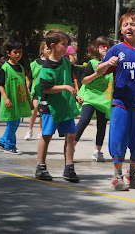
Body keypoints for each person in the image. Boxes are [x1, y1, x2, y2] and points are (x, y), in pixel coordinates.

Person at [96, 12, 135, 191]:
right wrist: (108, 64)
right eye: (125, 25)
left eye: (133, 25)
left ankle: (132, 173)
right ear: (121, 30)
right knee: (118, 138)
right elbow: (99, 70)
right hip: (121, 102)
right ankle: (117, 176)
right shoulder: (116, 49)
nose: (129, 28)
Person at [34, 29, 83, 182]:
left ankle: (69, 167)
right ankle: (40, 167)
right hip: (49, 107)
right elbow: (46, 89)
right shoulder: (47, 67)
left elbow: (69, 82)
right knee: (47, 136)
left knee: (71, 135)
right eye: (64, 44)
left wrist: (76, 96)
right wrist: (65, 88)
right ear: (53, 45)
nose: (67, 47)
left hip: (65, 106)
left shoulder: (66, 62)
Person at [74, 36, 115, 162]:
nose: (106, 49)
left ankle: (97, 151)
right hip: (90, 97)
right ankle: (71, 146)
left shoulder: (113, 65)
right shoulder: (92, 63)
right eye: (103, 47)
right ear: (96, 48)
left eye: (108, 47)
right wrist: (97, 74)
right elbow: (84, 80)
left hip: (104, 98)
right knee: (84, 120)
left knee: (102, 125)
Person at [0, 40, 33, 154]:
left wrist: (29, 100)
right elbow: (1, 85)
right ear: (9, 53)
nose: (18, 55)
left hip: (20, 101)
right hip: (10, 101)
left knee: (15, 123)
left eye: (20, 52)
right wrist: (6, 98)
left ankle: (3, 142)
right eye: (15, 52)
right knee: (13, 124)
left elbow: (24, 86)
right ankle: (10, 146)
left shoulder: (21, 68)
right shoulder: (5, 68)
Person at [24, 41, 51, 140]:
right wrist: (27, 87)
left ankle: (41, 130)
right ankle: (30, 130)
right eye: (47, 48)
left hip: (47, 90)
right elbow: (29, 77)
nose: (49, 51)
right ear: (42, 49)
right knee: (34, 108)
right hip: (37, 90)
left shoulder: (52, 63)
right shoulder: (35, 63)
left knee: (43, 110)